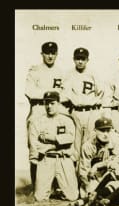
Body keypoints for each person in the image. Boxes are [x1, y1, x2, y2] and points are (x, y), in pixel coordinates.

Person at [25, 41, 66, 186]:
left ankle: (54, 186)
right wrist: (50, 94)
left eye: (53, 53)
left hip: (55, 110)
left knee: (54, 144)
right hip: (38, 108)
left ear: (56, 54)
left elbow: (64, 93)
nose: (50, 55)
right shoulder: (35, 70)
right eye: (47, 53)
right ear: (42, 54)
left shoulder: (61, 72)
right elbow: (29, 92)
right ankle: (35, 186)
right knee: (35, 147)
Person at [28, 91, 78, 201]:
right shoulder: (38, 121)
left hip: (63, 159)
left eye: (52, 103)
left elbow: (70, 138)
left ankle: (59, 188)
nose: (49, 106)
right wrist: (59, 143)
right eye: (46, 103)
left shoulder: (67, 120)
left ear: (59, 103)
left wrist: (50, 139)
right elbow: (34, 143)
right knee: (40, 197)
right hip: (46, 159)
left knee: (73, 196)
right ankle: (51, 188)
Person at [63, 47, 104, 162]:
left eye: (83, 59)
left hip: (91, 112)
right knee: (75, 145)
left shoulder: (93, 74)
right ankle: (74, 178)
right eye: (77, 59)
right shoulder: (69, 74)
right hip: (75, 112)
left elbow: (100, 93)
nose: (80, 61)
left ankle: (86, 176)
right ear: (73, 59)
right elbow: (65, 94)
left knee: (89, 144)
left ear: (87, 60)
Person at [74, 117, 119, 202]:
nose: (105, 134)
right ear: (95, 131)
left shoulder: (116, 140)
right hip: (94, 176)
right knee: (88, 194)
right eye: (102, 131)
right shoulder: (88, 146)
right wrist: (88, 187)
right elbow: (84, 170)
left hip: (110, 175)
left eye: (108, 131)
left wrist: (98, 165)